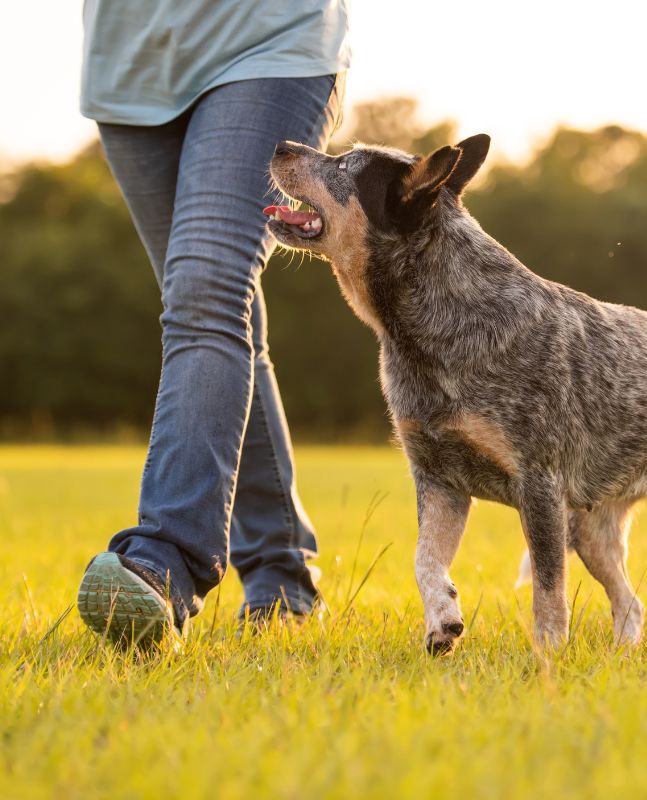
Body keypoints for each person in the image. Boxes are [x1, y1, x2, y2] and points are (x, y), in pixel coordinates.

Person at [76, 0, 350, 645]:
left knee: (207, 293)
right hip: (131, 70)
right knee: (214, 311)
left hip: (269, 44)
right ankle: (280, 573)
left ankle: (165, 560)